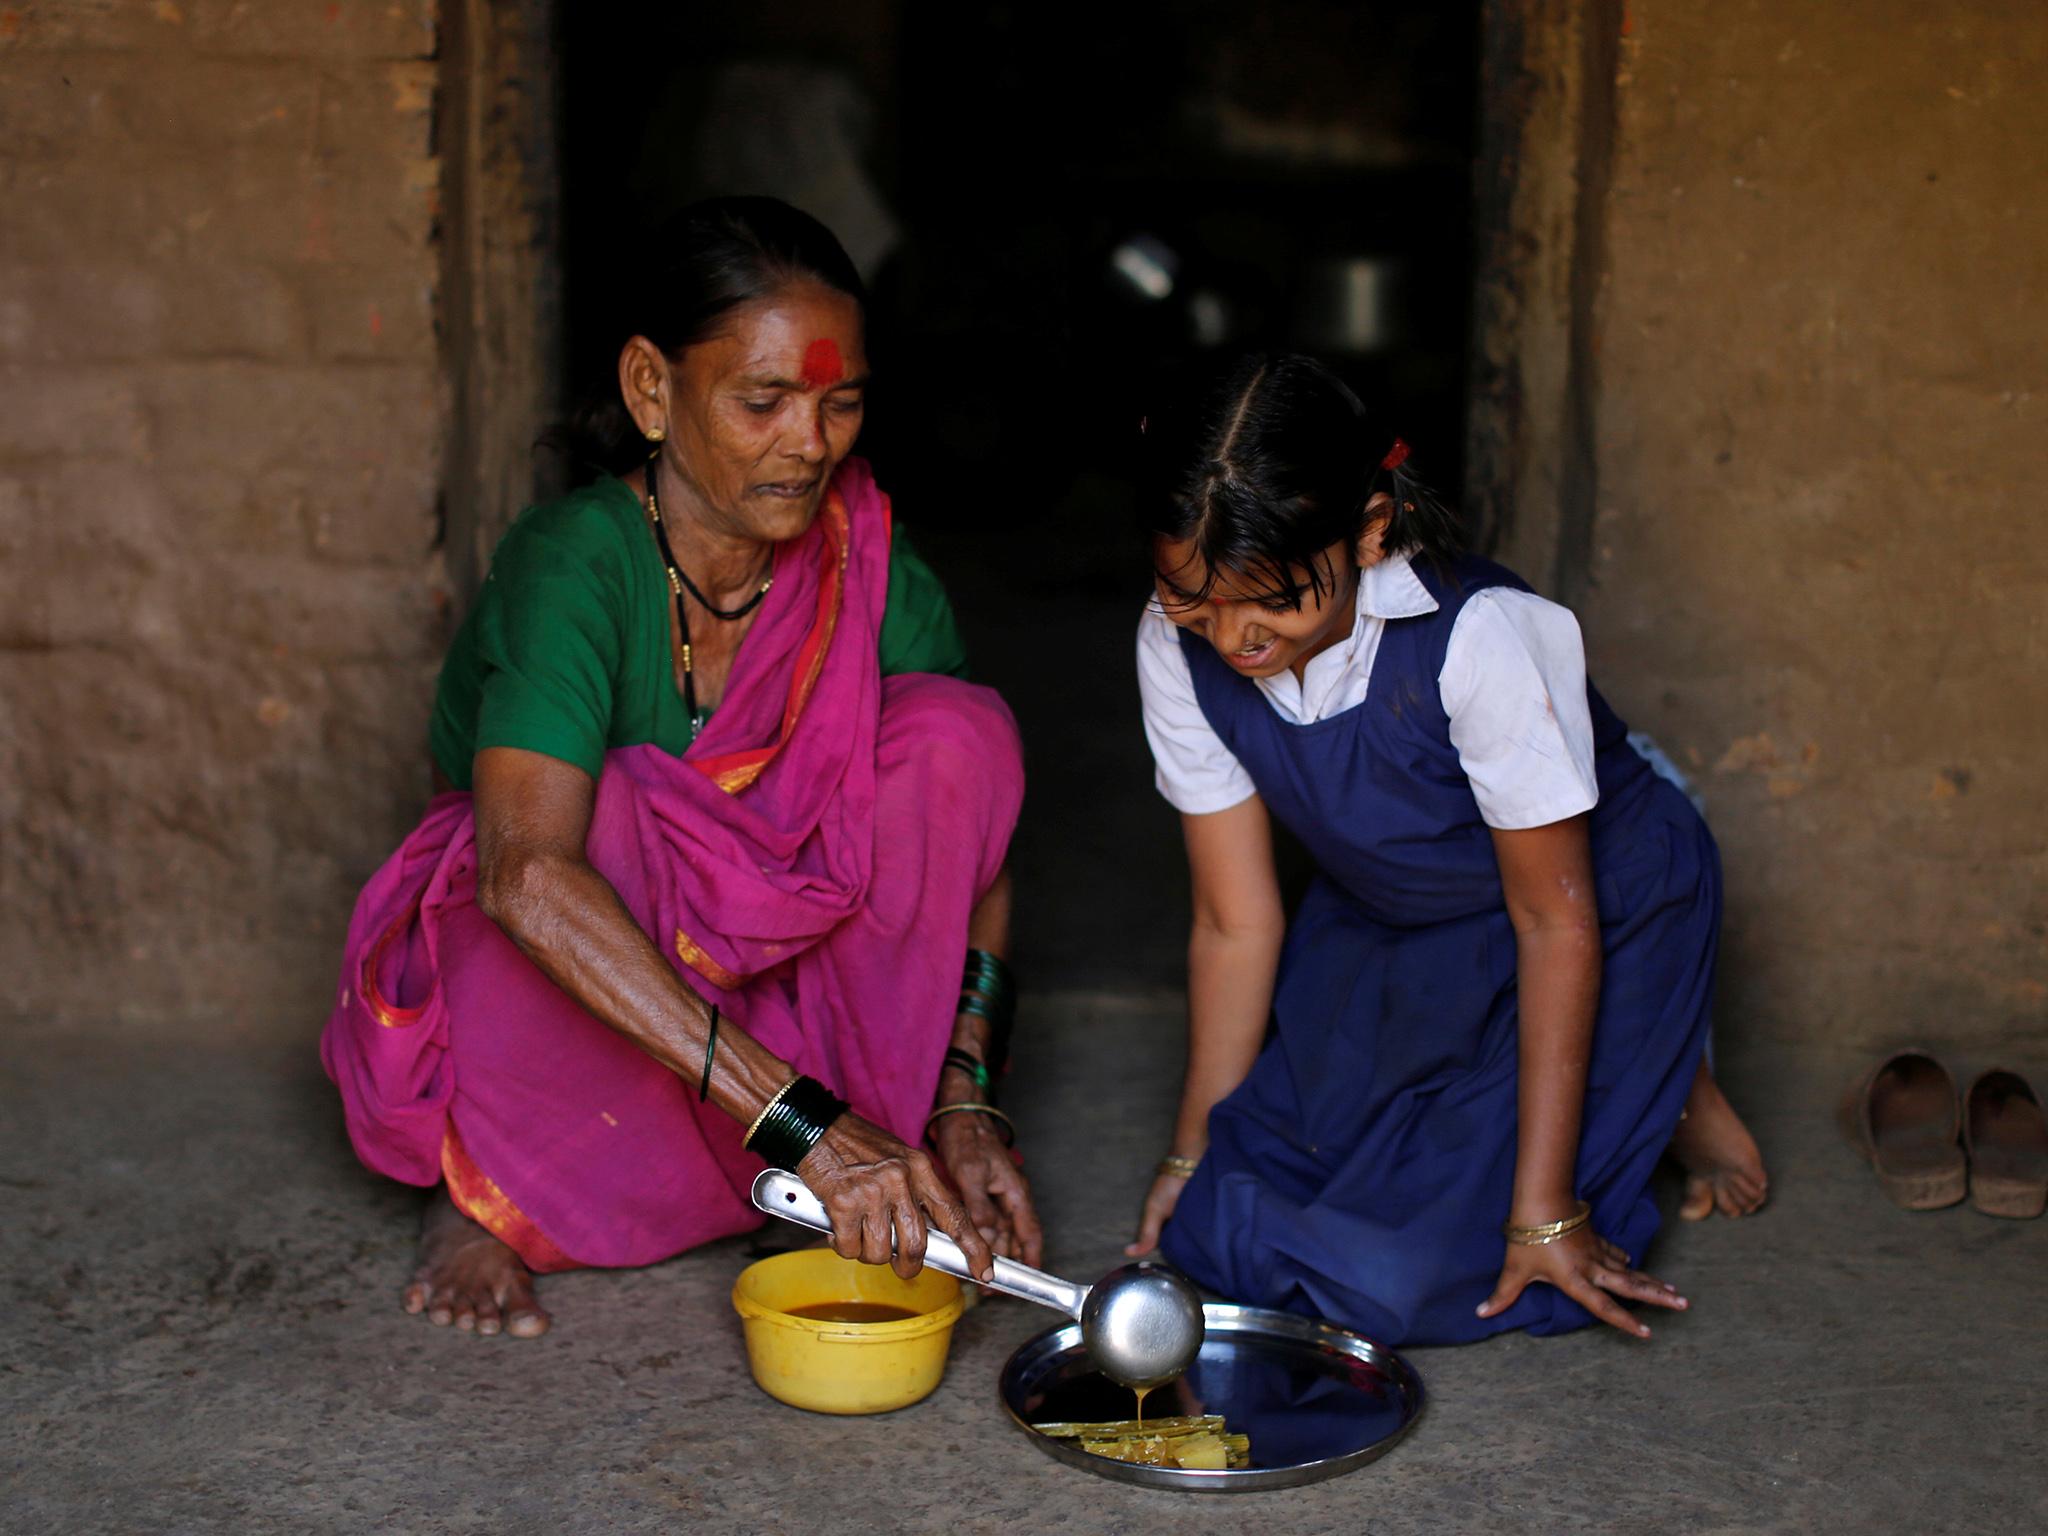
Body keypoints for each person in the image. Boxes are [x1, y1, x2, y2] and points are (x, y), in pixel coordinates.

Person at [322, 197, 1041, 1339]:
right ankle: (492, 1196)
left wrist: (965, 1101)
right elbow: (525, 881)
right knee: (597, 826)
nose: (808, 443)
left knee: (956, 738)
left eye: (839, 402)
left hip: (765, 1024)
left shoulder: (861, 552)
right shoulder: (573, 567)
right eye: (763, 401)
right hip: (589, 990)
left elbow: (974, 843)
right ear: (651, 389)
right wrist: (808, 1125)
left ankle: (817, 1174)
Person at [1124, 354, 1766, 1346]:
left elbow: (1554, 919)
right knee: (1221, 1232)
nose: (1232, 640)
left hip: (1590, 908)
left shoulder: (1479, 638)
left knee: (1397, 1275)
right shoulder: (1177, 643)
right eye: (1193, 604)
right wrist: (1183, 1158)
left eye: (1273, 603)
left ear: (1370, 530)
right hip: (1396, 915)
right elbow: (1232, 918)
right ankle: (1655, 1075)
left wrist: (1544, 1215)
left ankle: (1668, 1076)